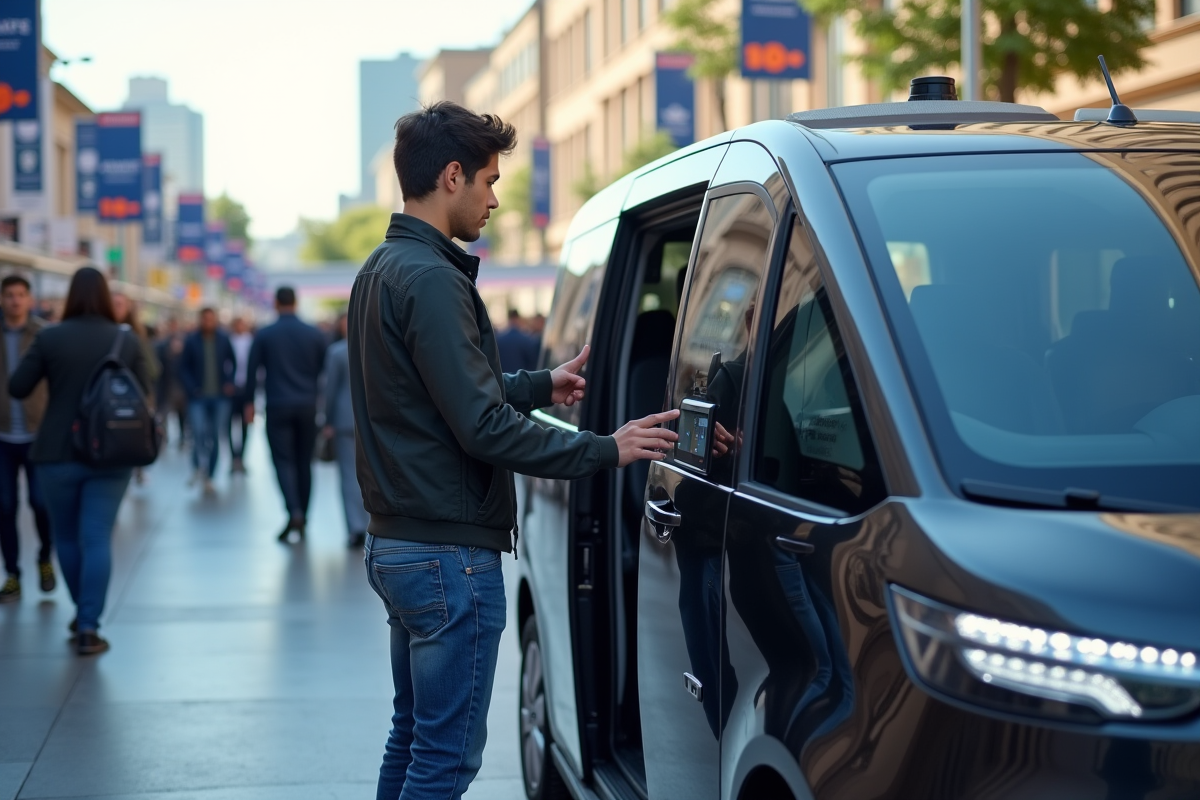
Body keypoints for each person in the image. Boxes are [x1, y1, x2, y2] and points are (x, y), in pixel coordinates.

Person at [347, 101, 678, 800]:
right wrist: (604, 449)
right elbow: (479, 427)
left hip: (402, 542)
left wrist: (536, 384)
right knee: (444, 759)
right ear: (452, 175)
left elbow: (432, 394)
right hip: (447, 556)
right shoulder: (434, 278)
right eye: (490, 182)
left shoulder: (383, 267)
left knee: (412, 738)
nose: (496, 199)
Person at [9, 267, 150, 655]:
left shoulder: (49, 337)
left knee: (67, 537)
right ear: (106, 296)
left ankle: (82, 611)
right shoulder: (125, 339)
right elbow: (146, 391)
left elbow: (18, 386)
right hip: (111, 452)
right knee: (96, 536)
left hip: (57, 450)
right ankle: (89, 624)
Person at [244, 287, 327, 542]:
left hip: (278, 404)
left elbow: (252, 371)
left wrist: (248, 403)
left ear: (276, 303)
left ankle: (293, 510)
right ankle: (304, 514)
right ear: (296, 302)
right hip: (307, 405)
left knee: (282, 461)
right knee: (305, 462)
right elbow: (324, 371)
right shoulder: (314, 334)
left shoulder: (265, 334)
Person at [0, 275, 53, 602]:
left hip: (38, 433)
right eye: (9, 295)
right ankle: (13, 574)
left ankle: (45, 557)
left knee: (40, 502)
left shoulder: (44, 335)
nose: (15, 301)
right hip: (3, 435)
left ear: (30, 299)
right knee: (5, 506)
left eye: (21, 295)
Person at [179, 308, 236, 497]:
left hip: (220, 397)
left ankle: (210, 474)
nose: (208, 322)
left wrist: (229, 381)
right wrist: (192, 387)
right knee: (198, 432)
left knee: (214, 436)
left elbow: (232, 362)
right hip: (198, 397)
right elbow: (182, 367)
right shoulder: (191, 340)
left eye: (212, 319)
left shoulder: (223, 338)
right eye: (205, 319)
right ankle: (197, 466)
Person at [323, 313, 367, 548]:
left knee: (349, 475)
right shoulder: (375, 348)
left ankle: (355, 527)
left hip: (343, 418)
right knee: (371, 474)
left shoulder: (337, 352)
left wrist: (327, 419)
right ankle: (371, 524)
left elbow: (330, 389)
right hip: (370, 419)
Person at [155, 318, 189, 449]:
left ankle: (182, 437)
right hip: (167, 387)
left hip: (180, 387)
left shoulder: (185, 343)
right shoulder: (162, 345)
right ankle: (164, 437)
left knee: (182, 414)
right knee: (165, 413)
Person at [228, 316, 254, 473]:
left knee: (245, 424)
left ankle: (241, 457)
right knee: (230, 425)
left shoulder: (251, 341)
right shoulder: (228, 341)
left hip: (246, 388)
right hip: (232, 388)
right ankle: (233, 457)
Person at [494, 308, 538, 373]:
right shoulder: (526, 339)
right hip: (523, 379)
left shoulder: (499, 339)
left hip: (504, 379)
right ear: (518, 319)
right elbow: (532, 363)